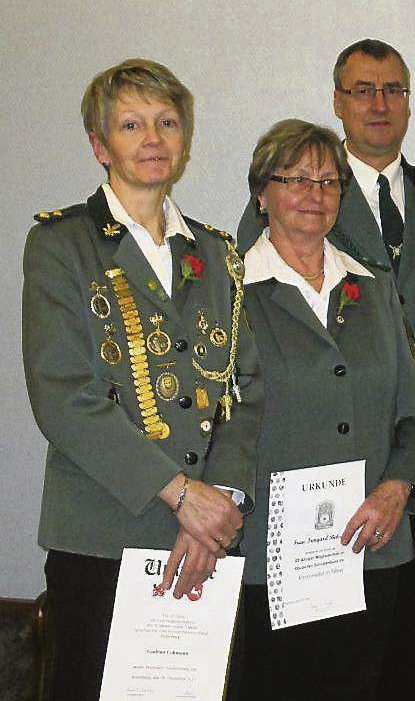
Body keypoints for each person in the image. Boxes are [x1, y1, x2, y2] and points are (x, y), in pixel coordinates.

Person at [234, 39, 415, 700]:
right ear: (338, 101)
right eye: (362, 90)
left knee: (396, 666)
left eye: (392, 89)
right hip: (283, 525)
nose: (379, 103)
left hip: (407, 490)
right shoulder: (239, 275)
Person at [22, 58, 261, 700]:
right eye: (131, 125)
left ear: (184, 139)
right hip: (102, 537)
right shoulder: (60, 246)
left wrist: (219, 503)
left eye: (166, 122)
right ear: (100, 146)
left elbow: (246, 393)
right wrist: (182, 495)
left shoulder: (218, 253)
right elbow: (63, 397)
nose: (152, 139)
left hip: (207, 540)